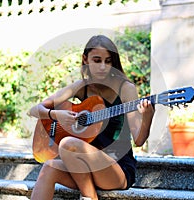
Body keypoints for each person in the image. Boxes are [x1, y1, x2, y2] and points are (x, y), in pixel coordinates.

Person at [28, 35, 155, 200]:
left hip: (116, 169)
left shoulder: (125, 88)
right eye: (97, 60)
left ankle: (89, 197)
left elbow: (138, 140)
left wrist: (147, 117)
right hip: (83, 168)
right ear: (85, 59)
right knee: (49, 167)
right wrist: (56, 114)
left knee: (68, 144)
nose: (103, 67)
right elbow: (35, 109)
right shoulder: (82, 87)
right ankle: (90, 196)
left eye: (108, 61)